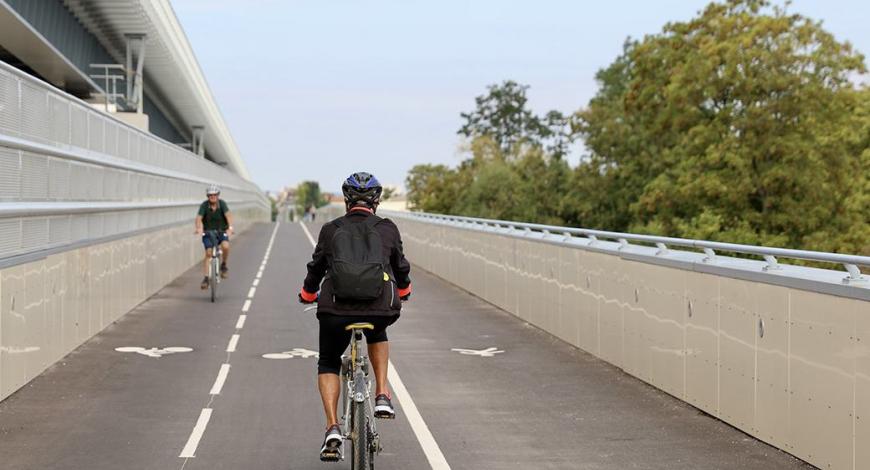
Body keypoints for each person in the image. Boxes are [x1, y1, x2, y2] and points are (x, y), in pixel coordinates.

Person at [298, 172, 411, 461]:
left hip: (335, 310)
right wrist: (405, 290)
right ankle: (382, 395)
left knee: (328, 361)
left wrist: (308, 294)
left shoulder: (331, 228)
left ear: (347, 199)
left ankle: (332, 427)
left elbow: (316, 269)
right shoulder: (387, 228)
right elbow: (400, 267)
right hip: (378, 308)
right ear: (376, 200)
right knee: (378, 330)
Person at [195, 184, 234, 289]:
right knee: (208, 253)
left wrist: (230, 228)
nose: (213, 197)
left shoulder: (222, 204)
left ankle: (224, 265)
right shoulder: (204, 205)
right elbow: (199, 218)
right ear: (208, 196)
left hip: (221, 231)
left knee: (225, 246)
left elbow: (228, 215)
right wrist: (198, 228)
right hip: (208, 232)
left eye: (215, 195)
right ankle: (206, 278)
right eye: (210, 195)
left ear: (218, 195)